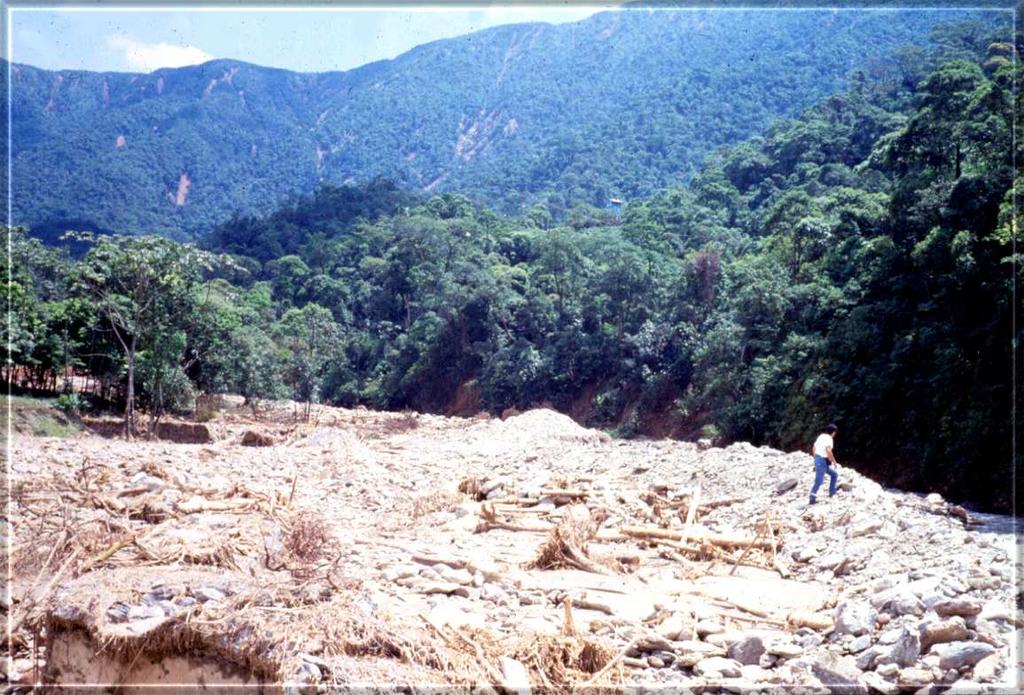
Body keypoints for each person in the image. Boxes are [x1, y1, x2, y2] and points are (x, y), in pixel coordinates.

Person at [809, 423, 839, 504]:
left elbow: (814, 448)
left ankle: (832, 492)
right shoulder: (829, 439)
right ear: (833, 432)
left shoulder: (821, 436)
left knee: (834, 474)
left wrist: (815, 460)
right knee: (818, 481)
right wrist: (834, 461)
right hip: (822, 461)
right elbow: (828, 450)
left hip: (820, 460)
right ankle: (812, 499)